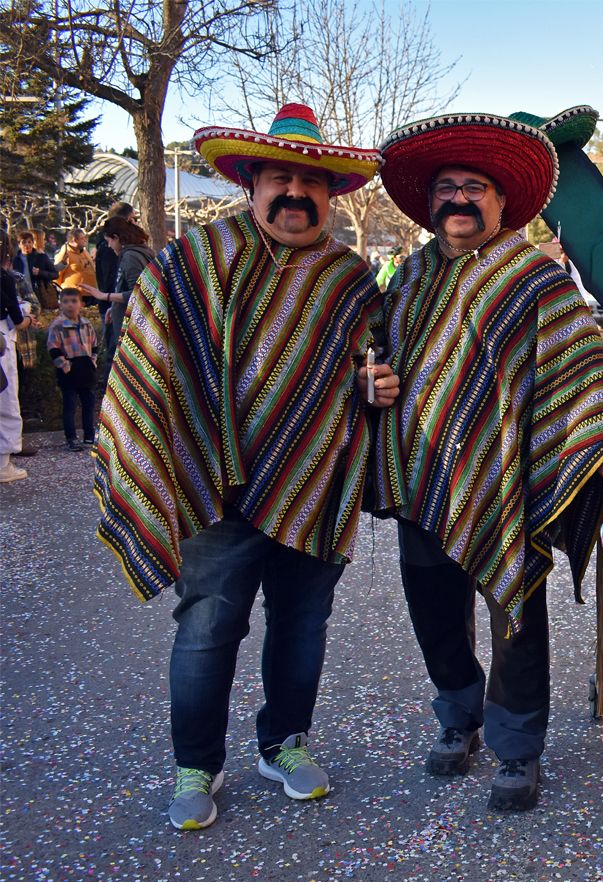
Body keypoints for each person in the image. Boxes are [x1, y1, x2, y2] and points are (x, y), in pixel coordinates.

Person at [93, 103, 396, 831]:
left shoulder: (351, 280)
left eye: (311, 182)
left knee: (301, 624)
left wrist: (372, 387)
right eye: (280, 178)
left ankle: (283, 742)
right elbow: (143, 360)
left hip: (315, 482)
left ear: (332, 194)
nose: (295, 194)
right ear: (251, 183)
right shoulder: (195, 262)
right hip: (214, 486)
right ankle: (196, 762)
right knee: (208, 627)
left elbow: (373, 363)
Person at [372, 113, 603, 812]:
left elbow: (583, 368)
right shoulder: (409, 278)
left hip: (503, 484)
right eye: (447, 188)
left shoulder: (533, 280)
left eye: (475, 187)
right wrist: (366, 382)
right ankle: (459, 718)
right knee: (434, 613)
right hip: (421, 475)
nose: (459, 200)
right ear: (430, 203)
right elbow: (368, 355)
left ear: (500, 202)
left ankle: (517, 749)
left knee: (514, 616)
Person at [81, 218, 154, 358]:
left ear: (117, 238)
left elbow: (140, 293)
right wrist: (114, 306)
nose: (109, 246)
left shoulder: (131, 257)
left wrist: (105, 296)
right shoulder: (138, 253)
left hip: (132, 330)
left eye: (109, 241)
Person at [46, 287, 99, 450]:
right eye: (66, 302)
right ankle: (71, 437)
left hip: (85, 366)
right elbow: (52, 347)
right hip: (69, 367)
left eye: (74, 301)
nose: (70, 305)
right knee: (70, 404)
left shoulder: (86, 324)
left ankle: (89, 435)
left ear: (81, 304)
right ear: (60, 304)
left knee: (88, 403)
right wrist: (64, 364)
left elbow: (94, 344)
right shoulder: (58, 325)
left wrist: (93, 361)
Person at [0, 237, 34, 482]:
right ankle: (3, 464)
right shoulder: (5, 278)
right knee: (6, 399)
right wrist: (29, 318)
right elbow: (18, 319)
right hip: (2, 340)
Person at [93, 202, 134, 325]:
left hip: (114, 303)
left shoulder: (123, 248)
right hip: (114, 307)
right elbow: (111, 278)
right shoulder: (111, 246)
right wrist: (111, 300)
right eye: (133, 219)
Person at [12, 230, 59, 310]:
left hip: (41, 295)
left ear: (33, 243)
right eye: (23, 242)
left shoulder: (41, 257)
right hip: (23, 296)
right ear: (19, 244)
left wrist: (40, 272)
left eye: (29, 242)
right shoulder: (15, 260)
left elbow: (55, 274)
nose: (27, 245)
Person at [54, 228, 97, 298]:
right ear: (74, 240)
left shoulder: (84, 252)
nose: (85, 240)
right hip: (73, 296)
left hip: (90, 294)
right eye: (82, 238)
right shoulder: (64, 254)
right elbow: (56, 276)